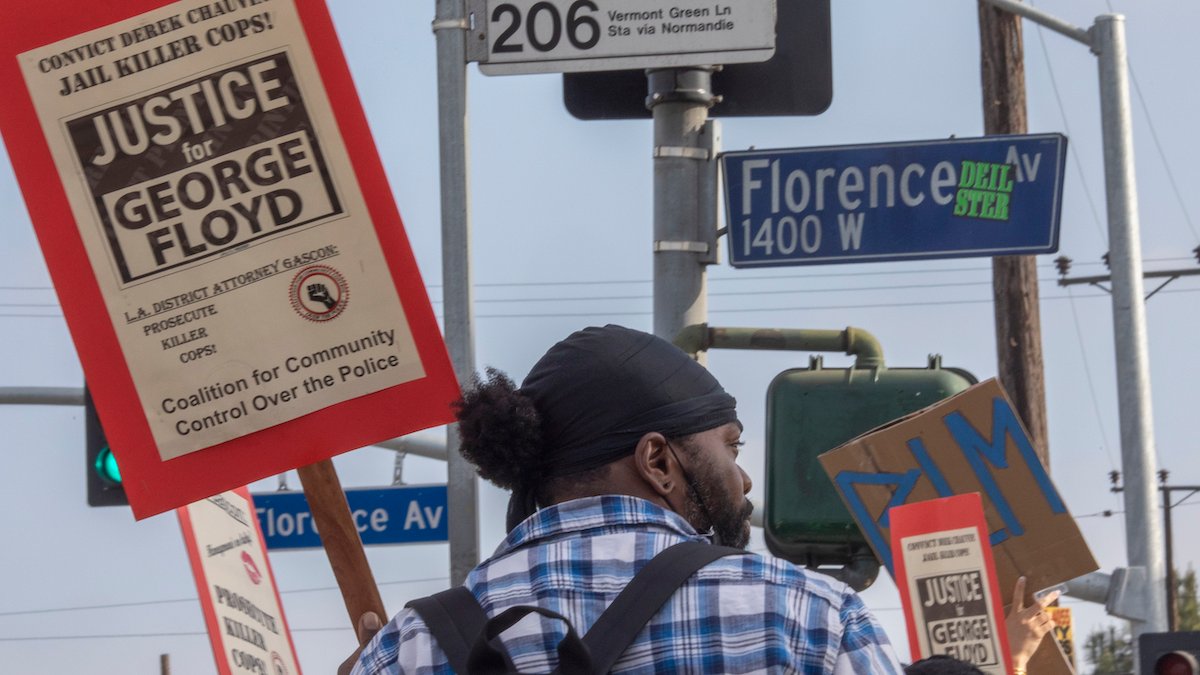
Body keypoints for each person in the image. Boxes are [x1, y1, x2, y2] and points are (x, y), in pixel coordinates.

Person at [346, 324, 903, 674]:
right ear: (658, 462)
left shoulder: (411, 648)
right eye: (731, 447)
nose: (744, 480)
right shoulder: (808, 619)